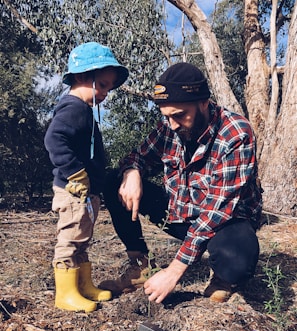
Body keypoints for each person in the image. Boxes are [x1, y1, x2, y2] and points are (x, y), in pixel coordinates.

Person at [99, 62, 262, 304]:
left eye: (179, 115)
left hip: (226, 221)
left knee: (238, 257)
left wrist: (175, 270)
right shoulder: (170, 126)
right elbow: (138, 156)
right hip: (182, 213)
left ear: (204, 103)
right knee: (114, 180)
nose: (173, 124)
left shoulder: (236, 134)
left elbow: (217, 211)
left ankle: (223, 278)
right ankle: (140, 266)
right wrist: (132, 172)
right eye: (166, 116)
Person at [44, 42, 129, 312]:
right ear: (82, 77)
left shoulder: (83, 110)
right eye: (102, 85)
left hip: (84, 191)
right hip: (73, 191)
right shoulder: (74, 109)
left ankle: (83, 285)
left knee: (82, 237)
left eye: (108, 87)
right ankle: (65, 294)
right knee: (70, 238)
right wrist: (75, 173)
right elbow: (54, 139)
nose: (105, 93)